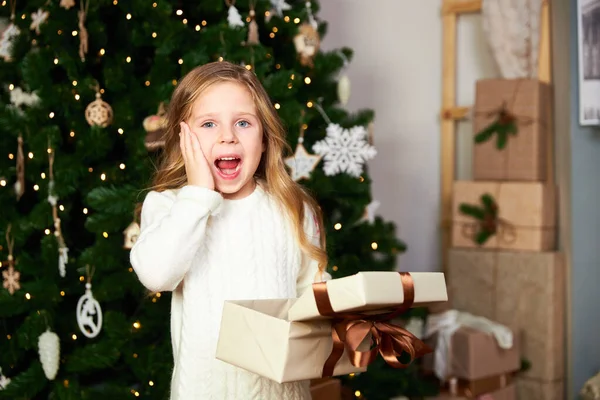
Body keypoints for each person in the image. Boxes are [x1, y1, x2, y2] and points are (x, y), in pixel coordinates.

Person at [130, 61, 330, 400]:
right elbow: (155, 275)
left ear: (264, 138)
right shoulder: (170, 206)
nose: (227, 136)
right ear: (184, 140)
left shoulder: (295, 209)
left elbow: (314, 296)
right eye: (208, 124)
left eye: (243, 123)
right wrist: (198, 195)